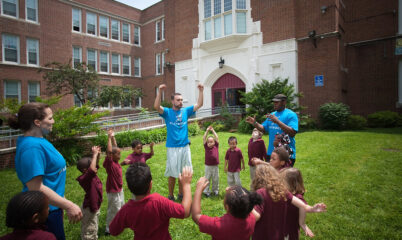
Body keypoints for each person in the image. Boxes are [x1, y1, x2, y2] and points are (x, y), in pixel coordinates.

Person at [8, 102, 82, 240]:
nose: (53, 121)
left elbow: (50, 176)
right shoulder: (32, 148)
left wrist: (61, 201)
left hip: (52, 207)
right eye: (50, 118)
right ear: (37, 122)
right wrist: (69, 205)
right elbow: (35, 187)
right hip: (42, 214)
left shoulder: (40, 140)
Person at [109, 163, 193, 239]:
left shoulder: (126, 210)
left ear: (127, 186)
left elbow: (113, 230)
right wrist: (186, 185)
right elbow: (185, 212)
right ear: (151, 184)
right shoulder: (159, 202)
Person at [154, 83, 204, 201]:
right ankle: (171, 195)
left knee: (184, 172)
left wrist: (201, 91)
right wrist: (160, 92)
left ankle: (181, 194)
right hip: (172, 147)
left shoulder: (186, 111)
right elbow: (156, 106)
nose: (181, 102)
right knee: (172, 173)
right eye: (178, 100)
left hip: (185, 147)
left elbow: (199, 104)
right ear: (172, 101)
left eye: (181, 100)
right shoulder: (167, 112)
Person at [251, 164, 326, 240]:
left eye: (281, 180)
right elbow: (302, 205)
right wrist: (302, 223)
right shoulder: (281, 192)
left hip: (277, 233)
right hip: (280, 232)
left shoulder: (264, 193)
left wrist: (246, 205)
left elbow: (304, 206)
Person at [192, 177, 263, 240]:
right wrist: (232, 194)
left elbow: (196, 216)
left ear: (227, 207)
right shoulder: (251, 220)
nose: (227, 189)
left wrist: (198, 190)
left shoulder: (218, 225)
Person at [246, 94, 298, 166]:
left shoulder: (291, 115)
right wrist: (255, 123)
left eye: (277, 102)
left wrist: (277, 121)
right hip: (271, 153)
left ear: (284, 102)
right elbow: (263, 129)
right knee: (271, 176)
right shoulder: (272, 115)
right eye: (274, 102)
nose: (274, 104)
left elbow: (292, 132)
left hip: (286, 154)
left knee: (283, 177)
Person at [76, 146, 103, 240]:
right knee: (89, 230)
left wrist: (98, 154)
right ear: (85, 170)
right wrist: (94, 154)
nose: (94, 165)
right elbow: (91, 169)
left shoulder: (91, 175)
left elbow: (94, 166)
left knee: (93, 227)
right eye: (91, 164)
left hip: (94, 206)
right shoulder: (84, 178)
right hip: (89, 208)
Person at [280, 168, 313, 240]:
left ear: (291, 183)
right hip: (281, 227)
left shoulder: (297, 197)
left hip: (289, 230)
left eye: (281, 181)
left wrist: (312, 209)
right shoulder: (283, 194)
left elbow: (304, 207)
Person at [103, 129, 124, 235]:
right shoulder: (110, 163)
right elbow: (110, 151)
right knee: (113, 209)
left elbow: (115, 148)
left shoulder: (116, 162)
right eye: (118, 154)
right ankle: (108, 229)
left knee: (120, 206)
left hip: (119, 189)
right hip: (113, 190)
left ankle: (119, 224)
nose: (120, 155)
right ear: (111, 155)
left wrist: (113, 137)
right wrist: (109, 138)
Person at [202, 126, 220, 197]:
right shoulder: (206, 146)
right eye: (208, 142)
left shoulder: (216, 146)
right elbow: (204, 138)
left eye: (211, 142)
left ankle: (215, 190)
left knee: (216, 178)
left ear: (214, 142)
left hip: (215, 166)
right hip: (208, 166)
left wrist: (213, 131)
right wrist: (206, 131)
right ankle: (206, 191)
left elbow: (217, 137)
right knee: (207, 178)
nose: (209, 143)